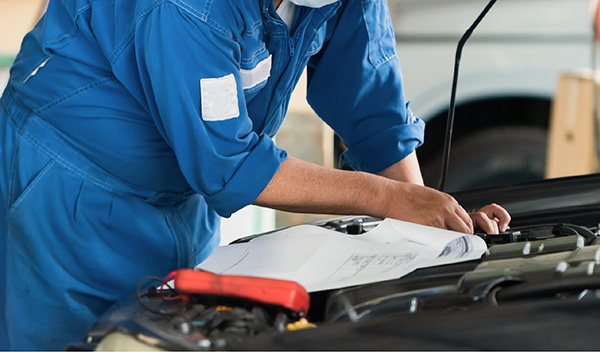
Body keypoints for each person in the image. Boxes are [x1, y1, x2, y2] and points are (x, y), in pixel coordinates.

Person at [0, 0, 510, 349]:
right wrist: (387, 199)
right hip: (69, 192)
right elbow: (230, 165)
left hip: (182, 196)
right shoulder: (186, 7)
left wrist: (430, 225)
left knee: (173, 335)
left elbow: (373, 109)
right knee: (74, 343)